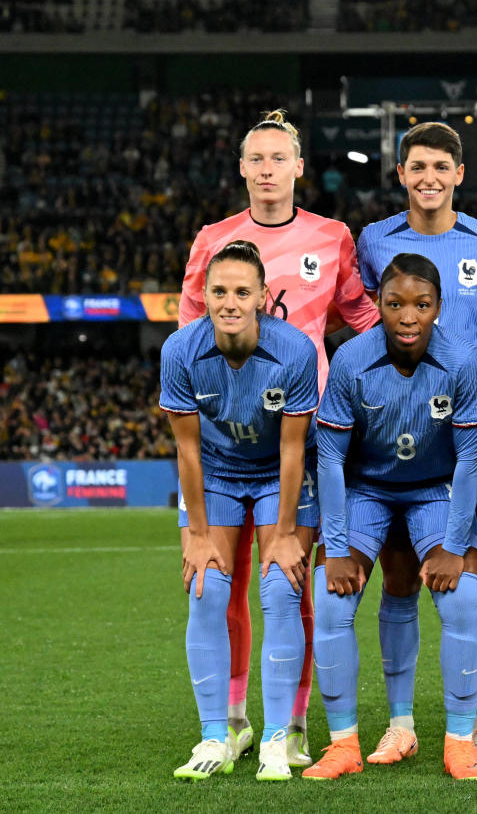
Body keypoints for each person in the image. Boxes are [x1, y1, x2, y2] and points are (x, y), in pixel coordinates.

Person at [178, 110, 380, 767]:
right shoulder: (213, 239)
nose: (266, 169)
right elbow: (189, 341)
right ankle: (230, 720)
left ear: (298, 166)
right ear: (242, 169)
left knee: (285, 583)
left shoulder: (333, 236)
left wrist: (436, 343)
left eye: (278, 157)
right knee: (216, 585)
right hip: (222, 441)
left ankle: (288, 726)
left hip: (304, 436)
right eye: (255, 158)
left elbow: (362, 316)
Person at [354, 122, 477, 765]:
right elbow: (367, 325)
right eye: (417, 166)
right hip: (393, 437)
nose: (429, 178)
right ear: (400, 173)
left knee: (473, 579)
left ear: (459, 174)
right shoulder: (373, 242)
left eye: (441, 166)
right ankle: (400, 723)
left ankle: (470, 723)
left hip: (468, 434)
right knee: (397, 579)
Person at [304, 254, 477, 781]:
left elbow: (468, 462)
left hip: (436, 490)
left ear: (438, 307)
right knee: (331, 597)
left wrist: (455, 546)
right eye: (395, 304)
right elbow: (331, 460)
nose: (408, 317)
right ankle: (343, 745)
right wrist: (337, 547)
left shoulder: (463, 361)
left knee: (459, 597)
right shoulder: (349, 360)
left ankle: (459, 743)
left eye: (421, 305)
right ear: (379, 305)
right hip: (367, 490)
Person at [161, 240, 320, 781]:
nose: (230, 302)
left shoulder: (295, 350)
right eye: (219, 291)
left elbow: (294, 448)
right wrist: (198, 533)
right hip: (215, 474)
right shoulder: (179, 351)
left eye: (242, 292)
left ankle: (279, 735)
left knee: (281, 586)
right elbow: (186, 448)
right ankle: (215, 735)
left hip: (280, 473)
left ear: (263, 297)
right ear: (203, 296)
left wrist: (282, 533)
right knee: (204, 588)